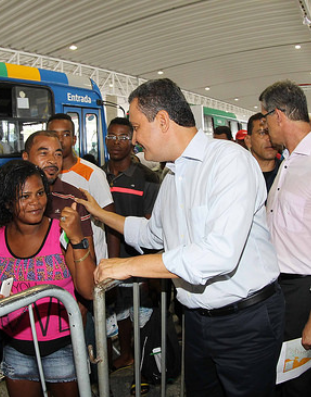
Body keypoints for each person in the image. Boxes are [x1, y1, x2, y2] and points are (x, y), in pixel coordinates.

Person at [77, 78, 284, 397]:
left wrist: (128, 266)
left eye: (136, 127)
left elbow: (219, 255)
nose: (133, 140)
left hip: (246, 321)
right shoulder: (172, 178)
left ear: (162, 120)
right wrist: (99, 212)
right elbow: (150, 233)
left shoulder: (228, 162)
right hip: (198, 323)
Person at [0, 160, 95, 397]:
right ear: (8, 203)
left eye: (40, 193)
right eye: (25, 196)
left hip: (62, 348)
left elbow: (89, 290)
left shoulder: (61, 233)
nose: (35, 202)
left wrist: (76, 238)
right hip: (15, 349)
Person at [0, 131, 94, 258]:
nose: (52, 160)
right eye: (44, 153)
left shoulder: (74, 199)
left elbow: (88, 256)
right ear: (25, 157)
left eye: (58, 154)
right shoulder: (6, 191)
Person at [260, 80, 311, 396]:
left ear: (279, 116)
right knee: (283, 378)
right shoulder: (288, 162)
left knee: (297, 383)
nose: (265, 130)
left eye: (265, 120)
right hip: (279, 289)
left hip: (303, 292)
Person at [102, 117, 160, 371]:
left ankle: (146, 365)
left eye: (123, 137)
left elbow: (152, 227)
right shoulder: (98, 175)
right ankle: (126, 354)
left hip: (137, 260)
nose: (116, 143)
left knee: (142, 315)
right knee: (120, 313)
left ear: (132, 142)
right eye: (111, 137)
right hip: (108, 258)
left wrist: (149, 270)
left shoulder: (147, 178)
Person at [47, 113, 116, 263]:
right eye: (54, 134)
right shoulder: (44, 175)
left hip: (91, 259)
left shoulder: (92, 174)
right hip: (57, 263)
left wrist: (112, 263)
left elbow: (110, 220)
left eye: (65, 134)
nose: (60, 139)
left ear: (74, 139)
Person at [244, 113, 281, 193]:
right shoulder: (238, 174)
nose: (269, 138)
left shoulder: (289, 173)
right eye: (262, 133)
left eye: (272, 132)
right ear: (248, 141)